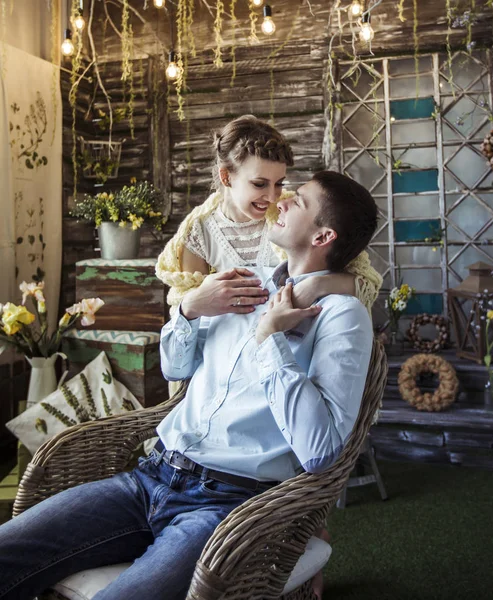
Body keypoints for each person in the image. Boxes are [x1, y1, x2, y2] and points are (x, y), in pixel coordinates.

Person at [0, 170, 377, 600]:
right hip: (148, 477)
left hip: (224, 506)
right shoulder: (242, 281)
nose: (282, 200)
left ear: (323, 235)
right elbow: (173, 369)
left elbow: (321, 450)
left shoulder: (342, 316)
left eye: (300, 200)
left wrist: (269, 339)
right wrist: (190, 311)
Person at [156, 115, 382, 315]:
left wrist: (316, 285)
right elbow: (185, 317)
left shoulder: (293, 214)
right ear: (226, 177)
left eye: (279, 183)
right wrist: (196, 301)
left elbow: (367, 284)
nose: (274, 197)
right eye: (259, 184)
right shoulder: (198, 235)